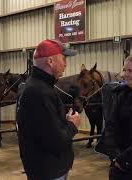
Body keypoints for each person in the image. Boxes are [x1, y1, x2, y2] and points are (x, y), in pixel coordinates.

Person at [16, 39, 81, 180]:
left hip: (47, 168)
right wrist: (72, 125)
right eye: (63, 59)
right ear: (50, 62)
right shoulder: (38, 92)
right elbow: (54, 140)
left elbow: (44, 127)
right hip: (48, 171)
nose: (65, 64)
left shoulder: (37, 87)